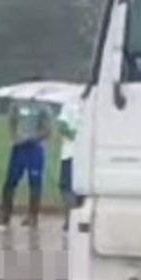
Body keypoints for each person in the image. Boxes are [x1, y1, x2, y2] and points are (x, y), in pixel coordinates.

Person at [0, 98, 54, 228]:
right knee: (10, 181)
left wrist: (32, 137)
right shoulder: (16, 105)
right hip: (19, 148)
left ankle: (33, 215)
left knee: (35, 182)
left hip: (35, 148)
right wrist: (15, 136)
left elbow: (47, 130)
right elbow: (12, 122)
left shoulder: (44, 107)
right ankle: (5, 213)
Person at [56, 99, 82, 231]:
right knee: (80, 189)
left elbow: (62, 126)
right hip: (86, 154)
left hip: (70, 154)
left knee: (66, 187)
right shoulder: (94, 102)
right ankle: (76, 219)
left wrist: (73, 135)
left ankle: (71, 220)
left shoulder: (69, 103)